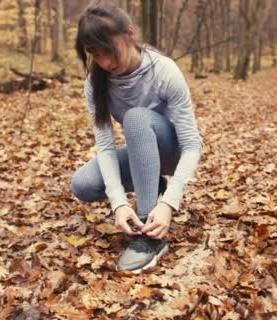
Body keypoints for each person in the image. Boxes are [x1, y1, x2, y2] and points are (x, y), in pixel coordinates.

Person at [71, 3, 204, 273]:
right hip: (142, 153)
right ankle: (152, 187)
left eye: (109, 50)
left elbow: (192, 144)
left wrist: (170, 203)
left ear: (129, 33)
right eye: (96, 54)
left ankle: (150, 236)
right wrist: (118, 202)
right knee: (83, 184)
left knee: (136, 117)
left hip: (172, 152)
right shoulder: (95, 83)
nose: (105, 62)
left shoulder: (163, 71)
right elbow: (106, 147)